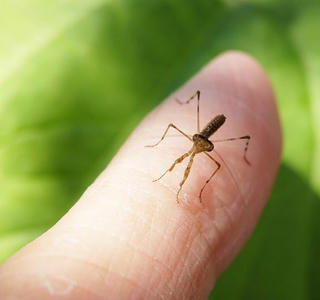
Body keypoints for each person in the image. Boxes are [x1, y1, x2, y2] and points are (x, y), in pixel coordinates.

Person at [0, 51, 281, 299]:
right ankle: (168, 162)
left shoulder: (206, 142)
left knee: (216, 159)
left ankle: (208, 167)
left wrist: (206, 164)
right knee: (180, 146)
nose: (194, 148)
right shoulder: (193, 141)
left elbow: (212, 155)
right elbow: (183, 135)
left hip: (214, 128)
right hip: (204, 131)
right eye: (197, 143)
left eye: (199, 145)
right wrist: (169, 144)